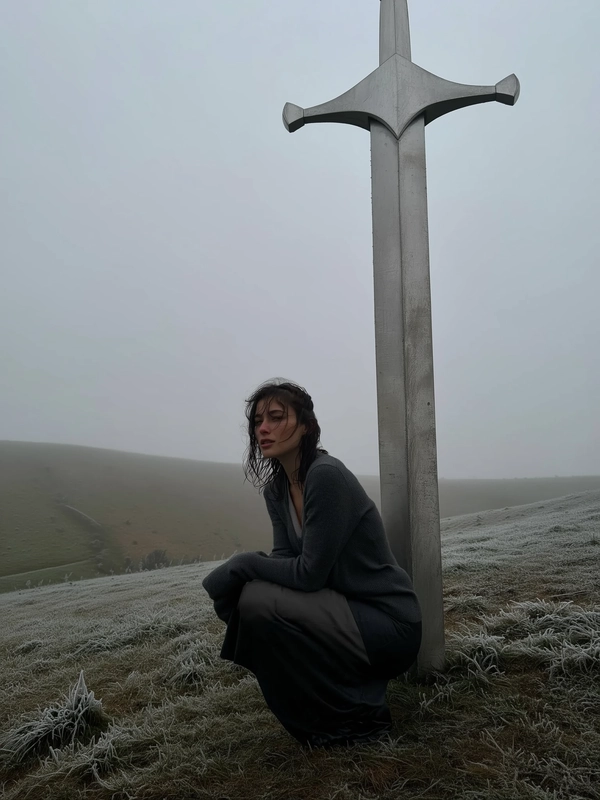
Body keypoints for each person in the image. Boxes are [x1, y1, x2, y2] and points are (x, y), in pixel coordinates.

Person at [202, 379, 422, 749]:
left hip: (389, 622)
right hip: (339, 612)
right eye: (257, 421)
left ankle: (359, 718)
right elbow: (285, 560)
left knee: (257, 599)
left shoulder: (326, 475)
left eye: (275, 417)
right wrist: (247, 578)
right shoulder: (277, 490)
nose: (263, 429)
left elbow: (308, 574)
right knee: (256, 599)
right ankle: (331, 716)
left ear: (306, 425)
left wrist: (243, 564)